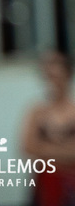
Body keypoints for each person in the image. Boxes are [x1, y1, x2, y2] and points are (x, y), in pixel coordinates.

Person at [23, 50, 75, 205]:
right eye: (49, 77)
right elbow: (28, 147)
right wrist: (65, 149)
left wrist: (46, 150)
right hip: (46, 185)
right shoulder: (37, 112)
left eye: (58, 77)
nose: (54, 83)